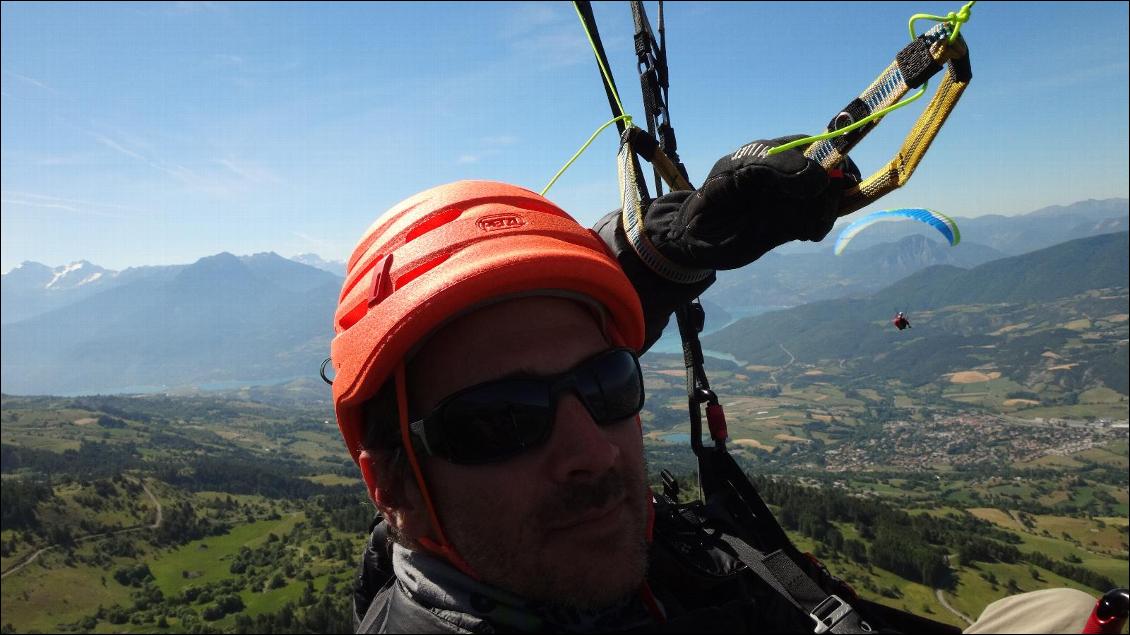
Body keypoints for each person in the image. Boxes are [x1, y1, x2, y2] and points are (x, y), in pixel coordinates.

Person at [328, 138, 1100, 633]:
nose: (591, 450)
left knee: (1067, 611)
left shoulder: (590, 563)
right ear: (389, 480)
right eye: (500, 420)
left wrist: (668, 252)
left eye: (606, 384)